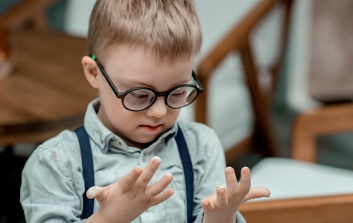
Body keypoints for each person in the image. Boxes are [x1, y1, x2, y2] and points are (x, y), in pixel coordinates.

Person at [20, 0, 270, 222]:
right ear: (94, 73)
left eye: (177, 92)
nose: (159, 112)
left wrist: (220, 219)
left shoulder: (201, 147)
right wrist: (109, 218)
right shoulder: (55, 163)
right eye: (140, 95)